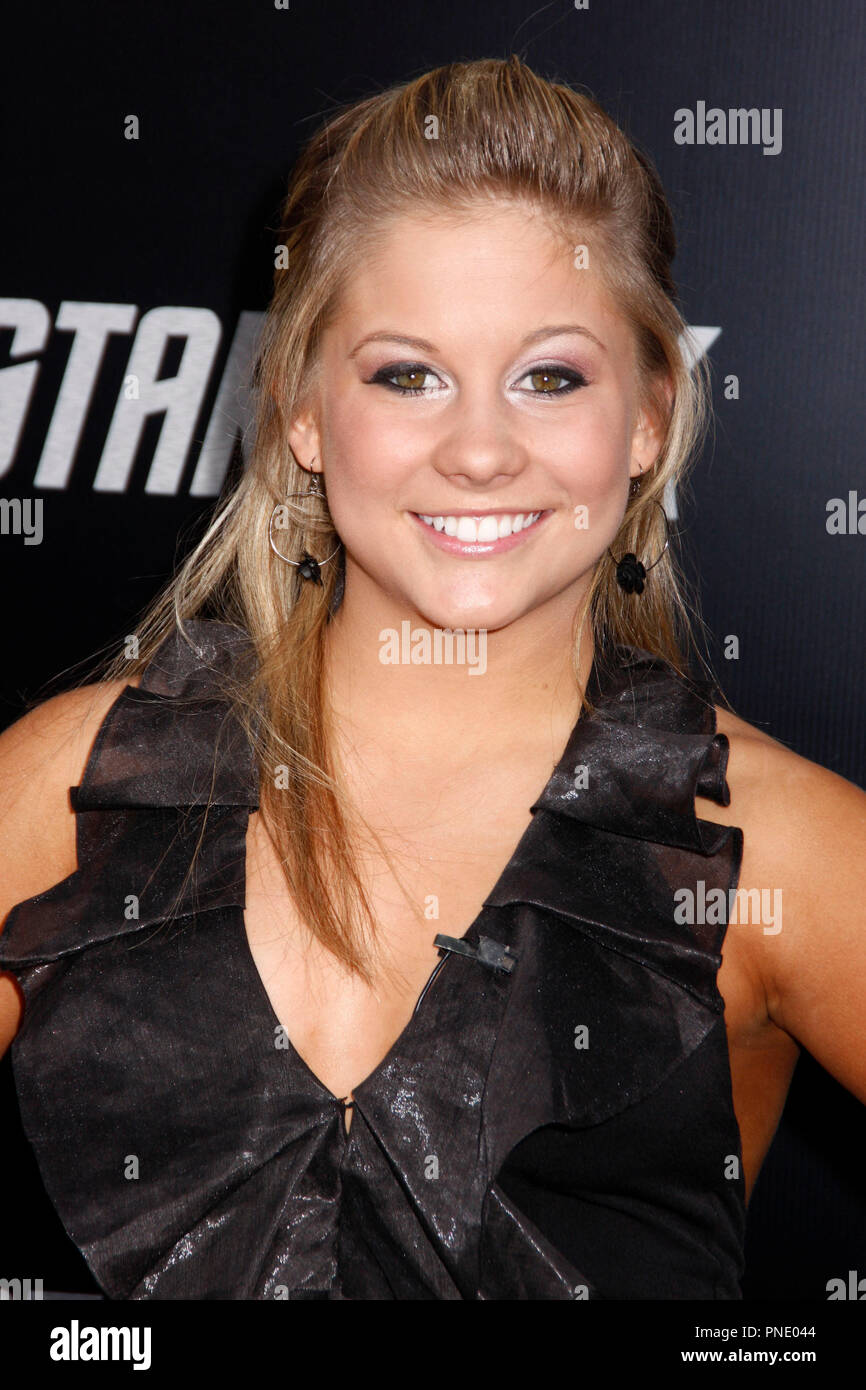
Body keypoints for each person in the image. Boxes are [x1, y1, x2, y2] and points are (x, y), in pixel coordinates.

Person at [0, 55, 864, 1301]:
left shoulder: (768, 849)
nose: (475, 448)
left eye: (549, 377)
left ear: (647, 419)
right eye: (405, 374)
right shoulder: (69, 793)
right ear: (301, 408)